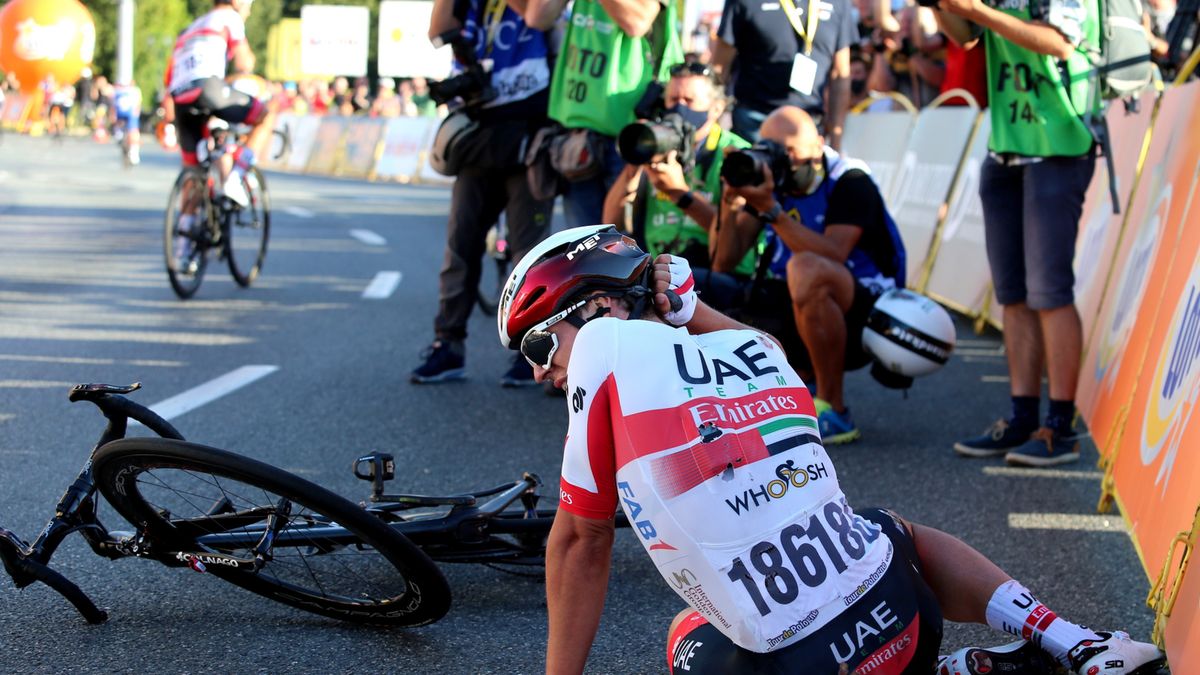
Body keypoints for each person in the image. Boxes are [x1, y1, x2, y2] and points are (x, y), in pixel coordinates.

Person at [495, 224, 1165, 675]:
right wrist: (685, 306)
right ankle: (1073, 639)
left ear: (598, 306)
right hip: (905, 617)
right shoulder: (755, 349)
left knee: (685, 630)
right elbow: (765, 350)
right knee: (878, 527)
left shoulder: (607, 348)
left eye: (538, 343)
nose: (536, 369)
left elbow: (581, 542)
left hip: (809, 663)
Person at [933, 0, 1098, 466]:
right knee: (1014, 295)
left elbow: (1059, 43)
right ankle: (1022, 418)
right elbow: (965, 35)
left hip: (1059, 143)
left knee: (1050, 293)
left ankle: (1060, 429)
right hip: (1005, 145)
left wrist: (978, 11)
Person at [718, 106, 906, 444]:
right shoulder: (768, 180)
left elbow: (833, 254)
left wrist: (772, 212)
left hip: (867, 312)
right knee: (702, 287)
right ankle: (790, 391)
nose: (781, 158)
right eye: (771, 148)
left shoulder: (850, 179)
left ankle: (835, 408)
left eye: (790, 149)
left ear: (819, 144)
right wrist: (730, 204)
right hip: (796, 304)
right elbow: (725, 262)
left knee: (805, 268)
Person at [410, 0, 555, 386]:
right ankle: (448, 345)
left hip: (530, 131)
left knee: (530, 254)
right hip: (478, 132)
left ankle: (532, 350)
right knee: (460, 244)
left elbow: (537, 16)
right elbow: (438, 29)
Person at [600, 61, 756, 308]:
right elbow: (612, 224)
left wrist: (680, 194)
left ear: (716, 108)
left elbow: (730, 249)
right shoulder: (658, 143)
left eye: (689, 100)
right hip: (658, 271)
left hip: (714, 275)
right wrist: (633, 163)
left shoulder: (735, 155)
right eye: (673, 99)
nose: (679, 108)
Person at [524, 0, 685, 227]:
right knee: (585, 249)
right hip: (578, 131)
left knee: (627, 248)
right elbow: (536, 17)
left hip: (630, 133)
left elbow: (637, 21)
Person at [163, 0, 276, 208]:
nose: (249, 10)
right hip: (208, 89)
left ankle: (185, 233)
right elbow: (244, 64)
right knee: (266, 114)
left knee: (193, 171)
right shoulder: (229, 17)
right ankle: (236, 176)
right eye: (247, 3)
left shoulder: (190, 28)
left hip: (181, 98)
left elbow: (169, 77)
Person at [712, 0, 857, 146]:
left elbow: (840, 73)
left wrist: (836, 141)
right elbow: (720, 68)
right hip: (754, 119)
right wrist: (711, 126)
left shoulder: (839, 3)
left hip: (808, 123)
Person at [111, 79, 143, 164]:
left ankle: (134, 152)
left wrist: (136, 113)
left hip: (131, 114)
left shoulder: (135, 91)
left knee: (134, 132)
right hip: (120, 114)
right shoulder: (117, 92)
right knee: (120, 130)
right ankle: (120, 136)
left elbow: (138, 104)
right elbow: (113, 105)